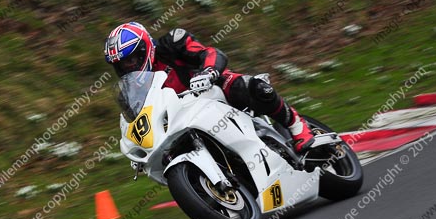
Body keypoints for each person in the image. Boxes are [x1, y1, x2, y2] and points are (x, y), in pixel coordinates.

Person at [103, 21, 315, 152]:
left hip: (210, 92)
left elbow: (211, 53)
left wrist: (209, 71)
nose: (128, 67)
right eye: (121, 65)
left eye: (131, 60)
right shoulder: (132, 89)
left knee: (251, 87)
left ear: (144, 49)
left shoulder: (172, 43)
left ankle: (297, 126)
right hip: (180, 118)